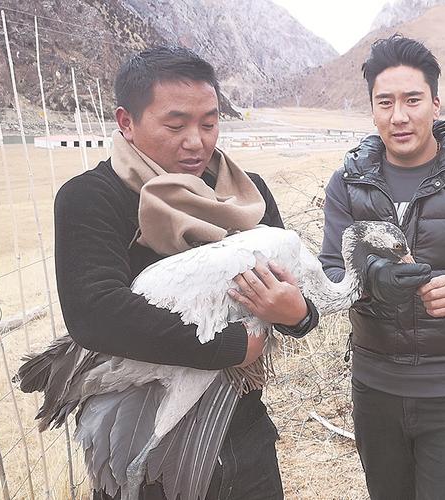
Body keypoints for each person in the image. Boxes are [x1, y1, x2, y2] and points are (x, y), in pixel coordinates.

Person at [54, 46, 318, 500]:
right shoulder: (92, 198)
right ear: (126, 122)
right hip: (146, 441)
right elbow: (95, 313)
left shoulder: (248, 196)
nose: (196, 141)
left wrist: (298, 316)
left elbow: (289, 296)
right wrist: (232, 347)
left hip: (243, 436)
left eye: (209, 124)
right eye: (176, 126)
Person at [318, 34, 445, 500]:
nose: (399, 116)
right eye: (385, 102)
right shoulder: (348, 183)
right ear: (372, 109)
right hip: (373, 387)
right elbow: (331, 269)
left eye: (412, 100)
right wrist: (373, 279)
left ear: (435, 104)